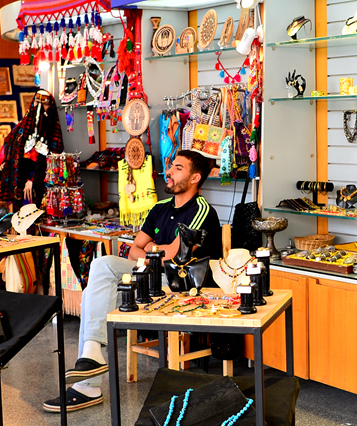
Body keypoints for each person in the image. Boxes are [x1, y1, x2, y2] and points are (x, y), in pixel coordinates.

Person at [44, 150, 223, 412]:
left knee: (95, 296)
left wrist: (151, 248)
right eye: (171, 166)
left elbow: (175, 256)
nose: (169, 172)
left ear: (195, 177)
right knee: (101, 267)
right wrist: (155, 251)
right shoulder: (159, 208)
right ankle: (91, 356)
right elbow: (133, 251)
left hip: (182, 286)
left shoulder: (202, 210)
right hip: (152, 278)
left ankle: (88, 385)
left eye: (178, 168)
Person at [0, 91, 62, 207]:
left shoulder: (53, 131)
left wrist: (33, 179)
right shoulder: (22, 126)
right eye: (37, 101)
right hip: (17, 176)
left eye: (45, 103)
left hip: (36, 179)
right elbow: (9, 142)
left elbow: (52, 159)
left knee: (31, 210)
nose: (40, 106)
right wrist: (3, 162)